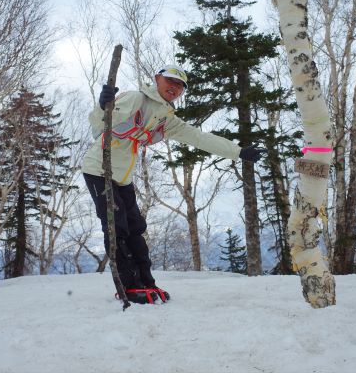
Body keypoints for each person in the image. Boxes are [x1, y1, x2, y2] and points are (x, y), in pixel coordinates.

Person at [82, 64, 265, 304]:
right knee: (117, 227)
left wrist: (239, 152)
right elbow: (98, 123)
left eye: (180, 85)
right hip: (99, 170)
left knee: (136, 228)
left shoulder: (166, 120)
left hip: (123, 177)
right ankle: (128, 286)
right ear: (157, 79)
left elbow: (200, 138)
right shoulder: (136, 99)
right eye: (170, 81)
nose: (175, 88)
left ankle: (146, 283)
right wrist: (102, 104)